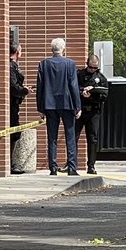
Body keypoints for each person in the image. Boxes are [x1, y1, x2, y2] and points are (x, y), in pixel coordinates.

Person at [36, 37, 81, 175]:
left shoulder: (43, 64)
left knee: (52, 137)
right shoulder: (70, 64)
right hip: (67, 103)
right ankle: (72, 167)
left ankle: (53, 167)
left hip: (49, 104)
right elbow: (74, 86)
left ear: (51, 49)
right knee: (70, 135)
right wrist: (77, 106)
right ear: (63, 49)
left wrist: (40, 108)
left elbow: (40, 87)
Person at [75, 54, 109, 174]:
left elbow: (104, 95)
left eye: (95, 68)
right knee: (74, 137)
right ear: (86, 64)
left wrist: (92, 93)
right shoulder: (79, 75)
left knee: (92, 139)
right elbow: (73, 88)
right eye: (90, 67)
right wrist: (82, 91)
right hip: (80, 110)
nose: (92, 70)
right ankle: (72, 164)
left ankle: (91, 166)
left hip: (94, 111)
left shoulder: (101, 78)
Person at [9, 45, 31, 153]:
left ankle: (11, 162)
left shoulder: (14, 66)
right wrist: (24, 90)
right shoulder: (11, 66)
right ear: (17, 52)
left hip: (15, 104)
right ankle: (11, 163)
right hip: (12, 104)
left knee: (15, 133)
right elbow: (14, 86)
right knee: (14, 133)